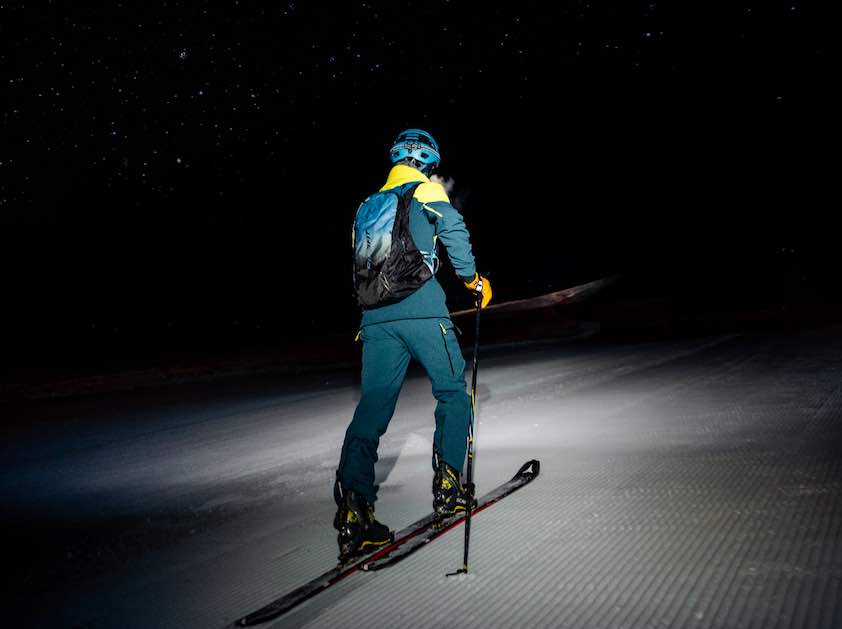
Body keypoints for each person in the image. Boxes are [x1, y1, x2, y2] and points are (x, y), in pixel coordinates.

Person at [333, 128, 492, 562]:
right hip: (423, 311)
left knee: (373, 407)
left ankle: (354, 511)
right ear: (427, 162)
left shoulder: (366, 205)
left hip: (376, 321)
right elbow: (454, 229)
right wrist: (472, 281)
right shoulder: (424, 190)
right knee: (452, 392)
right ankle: (449, 488)